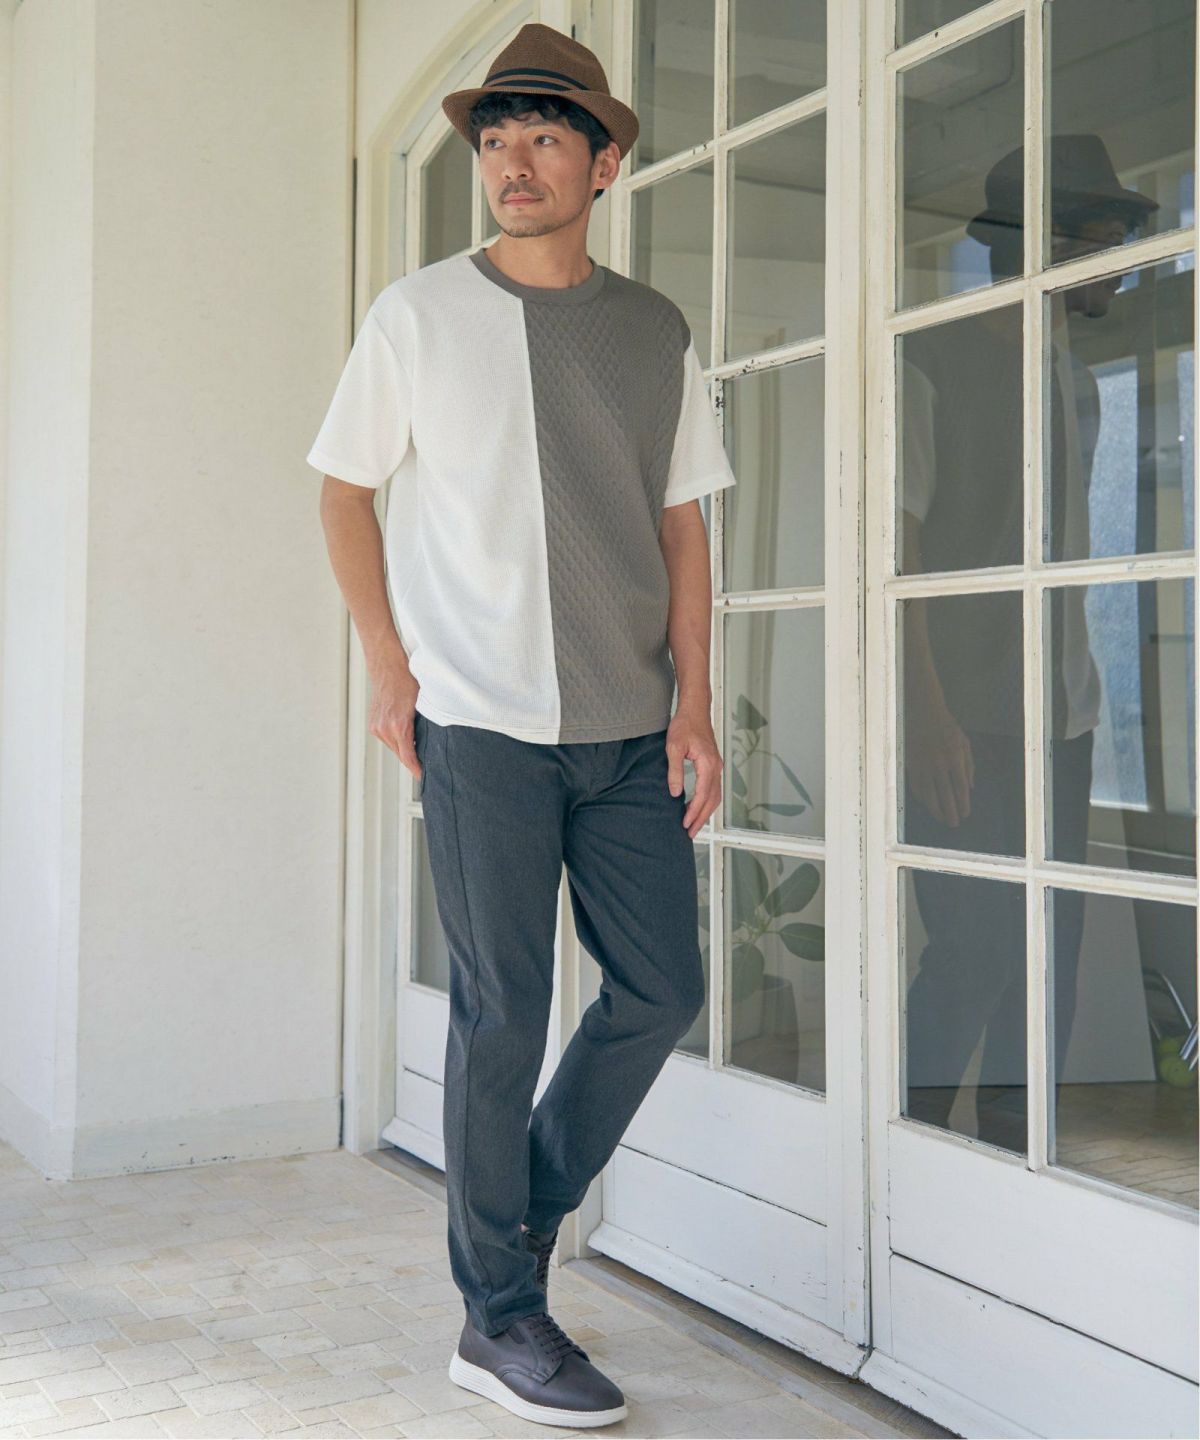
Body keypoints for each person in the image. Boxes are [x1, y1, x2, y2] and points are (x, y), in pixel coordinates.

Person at [305, 21, 736, 1430]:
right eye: (495, 139)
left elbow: (682, 525)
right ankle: (497, 1317)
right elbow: (344, 491)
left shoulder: (654, 330)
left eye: (546, 137)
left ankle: (520, 1221)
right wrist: (389, 665)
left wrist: (696, 702)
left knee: (660, 989)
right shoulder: (417, 315)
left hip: (626, 727)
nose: (513, 162)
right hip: (480, 719)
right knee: (503, 1014)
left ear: (603, 164)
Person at [900, 135, 1157, 1149]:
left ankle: (1019, 1157)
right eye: (1104, 235)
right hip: (965, 719)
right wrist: (926, 717)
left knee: (1048, 948)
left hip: (1064, 716)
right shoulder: (929, 359)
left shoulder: (1076, 381)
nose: (1119, 258)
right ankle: (911, 1143)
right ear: (1047, 241)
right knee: (970, 947)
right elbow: (898, 554)